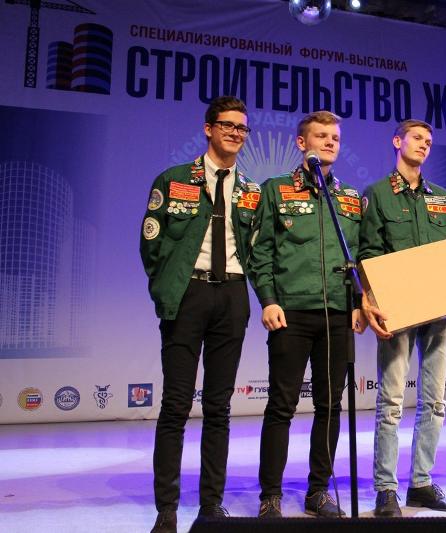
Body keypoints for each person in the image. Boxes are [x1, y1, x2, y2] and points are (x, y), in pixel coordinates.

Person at [140, 96, 262, 533]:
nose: (235, 133)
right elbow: (151, 243)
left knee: (218, 407)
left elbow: (258, 250)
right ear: (208, 128)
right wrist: (168, 286)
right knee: (175, 405)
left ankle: (211, 505)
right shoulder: (174, 180)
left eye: (242, 128)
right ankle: (167, 510)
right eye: (227, 125)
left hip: (232, 295)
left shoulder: (251, 190)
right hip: (188, 295)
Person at [359, 119, 446, 517]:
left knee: (435, 401)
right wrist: (372, 300)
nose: (424, 145)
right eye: (417, 138)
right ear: (397, 141)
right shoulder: (377, 193)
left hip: (437, 311)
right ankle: (385, 489)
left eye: (429, 141)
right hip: (397, 310)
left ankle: (422, 483)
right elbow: (369, 252)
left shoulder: (442, 198)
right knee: (391, 402)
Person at [249, 110, 365, 518]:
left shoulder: (350, 198)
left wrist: (358, 303)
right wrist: (268, 299)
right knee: (281, 406)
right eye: (321, 136)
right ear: (302, 143)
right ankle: (270, 495)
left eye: (335, 137)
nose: (330, 142)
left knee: (330, 406)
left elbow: (361, 256)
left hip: (337, 314)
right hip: (292, 313)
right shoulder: (276, 189)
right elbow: (261, 251)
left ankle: (319, 492)